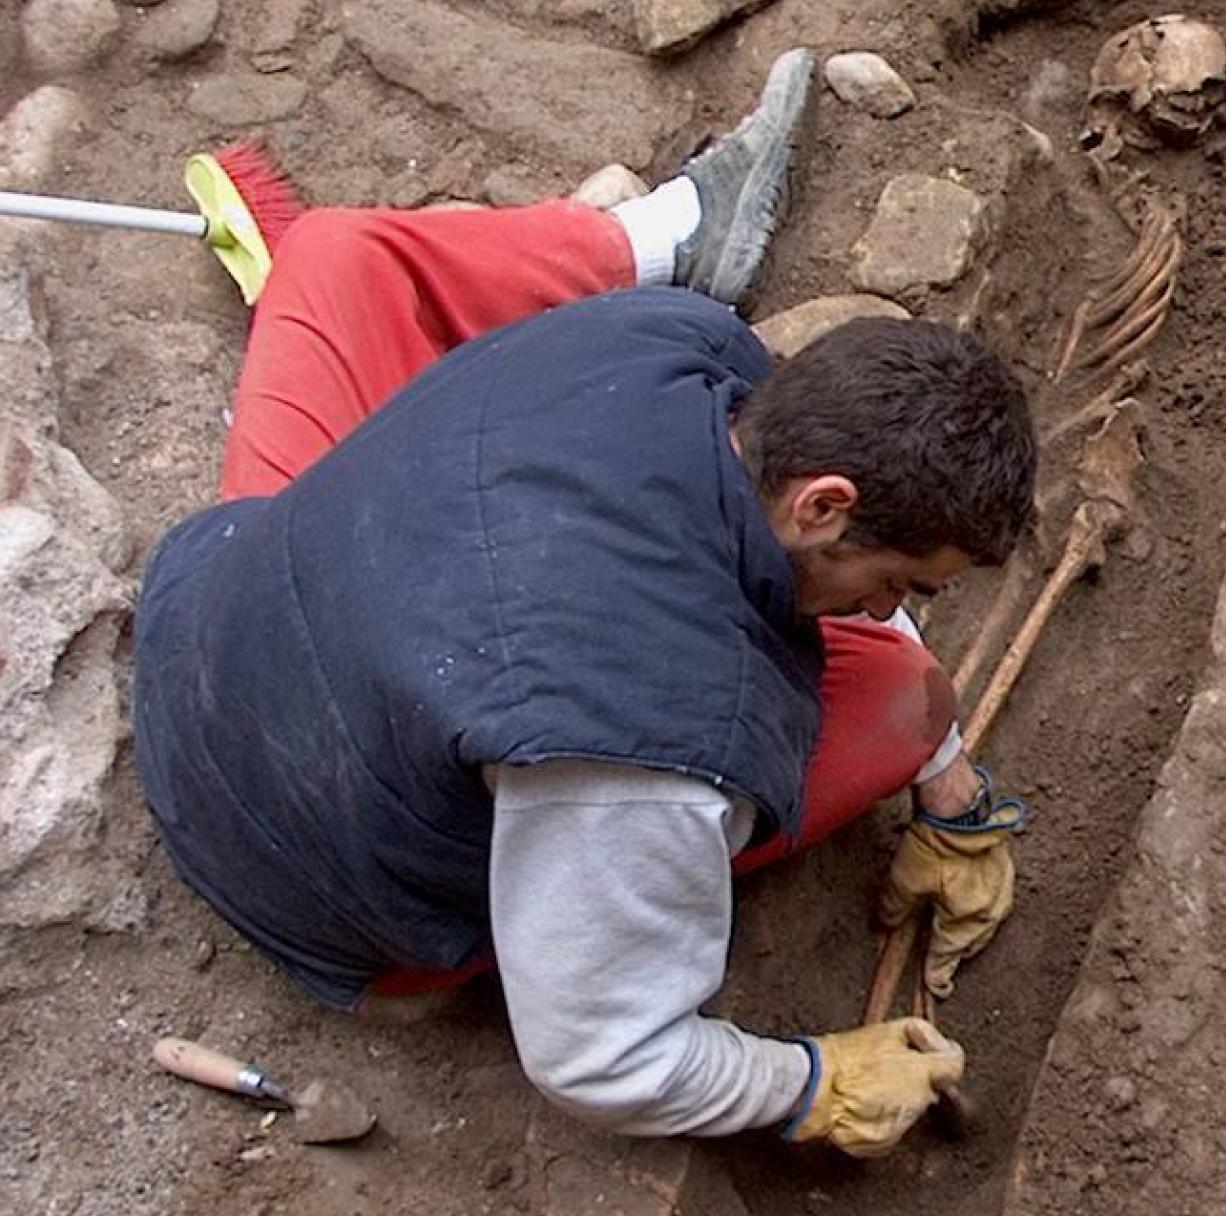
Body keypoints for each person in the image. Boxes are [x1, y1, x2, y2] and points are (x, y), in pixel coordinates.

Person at [130, 48, 1038, 1158]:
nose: (891, 607)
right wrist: (809, 1081)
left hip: (223, 604)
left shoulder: (675, 343)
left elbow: (794, 565)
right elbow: (602, 1059)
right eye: (898, 582)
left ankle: (643, 230)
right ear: (824, 502)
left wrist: (956, 792)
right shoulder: (654, 737)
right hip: (304, 869)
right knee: (899, 695)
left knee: (334, 258)